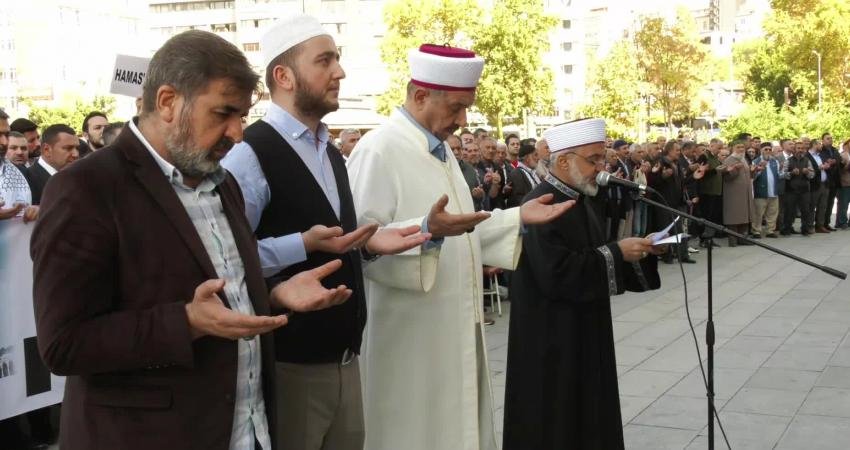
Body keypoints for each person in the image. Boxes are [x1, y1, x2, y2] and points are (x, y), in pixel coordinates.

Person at [31, 30, 351, 450]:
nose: (237, 133)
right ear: (167, 102)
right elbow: (63, 345)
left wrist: (270, 295)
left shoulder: (223, 184)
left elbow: (216, 298)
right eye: (223, 113)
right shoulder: (86, 188)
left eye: (242, 116)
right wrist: (184, 322)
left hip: (247, 432)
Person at [345, 43, 573, 450]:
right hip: (408, 341)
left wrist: (518, 218)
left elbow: (460, 233)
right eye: (455, 107)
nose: (463, 119)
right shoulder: (378, 150)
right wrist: (424, 231)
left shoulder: (442, 154)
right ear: (419, 96)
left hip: (451, 331)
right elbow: (360, 247)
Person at [221, 16, 429, 450]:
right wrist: (302, 244)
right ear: (284, 76)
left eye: (337, 58)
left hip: (346, 362)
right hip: (291, 367)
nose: (340, 72)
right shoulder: (249, 154)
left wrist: (369, 245)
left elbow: (336, 243)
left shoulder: (329, 152)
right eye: (325, 60)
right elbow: (226, 259)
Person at [502, 118, 662, 450]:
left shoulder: (582, 198)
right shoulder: (540, 203)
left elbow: (593, 254)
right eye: (594, 160)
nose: (602, 168)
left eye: (602, 159)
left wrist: (637, 251)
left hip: (585, 329)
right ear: (563, 161)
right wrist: (618, 252)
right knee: (556, 422)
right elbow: (557, 273)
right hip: (551, 338)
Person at [27, 124, 79, 205]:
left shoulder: (77, 177)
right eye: (68, 148)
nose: (75, 154)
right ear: (46, 149)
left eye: (77, 148)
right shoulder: (27, 181)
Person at [721, 140, 756, 245]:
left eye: (742, 147)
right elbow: (727, 177)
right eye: (738, 147)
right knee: (734, 217)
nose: (741, 149)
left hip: (744, 193)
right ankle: (733, 240)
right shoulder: (729, 160)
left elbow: (748, 175)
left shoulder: (743, 159)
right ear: (732, 148)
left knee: (744, 216)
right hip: (733, 194)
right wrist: (735, 169)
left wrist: (753, 171)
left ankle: (742, 239)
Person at [782, 140, 815, 236]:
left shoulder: (807, 160)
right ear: (794, 149)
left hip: (804, 190)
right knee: (789, 210)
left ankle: (805, 229)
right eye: (798, 148)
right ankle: (786, 229)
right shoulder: (788, 160)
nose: (800, 150)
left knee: (805, 210)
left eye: (802, 148)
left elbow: (812, 175)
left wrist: (807, 172)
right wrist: (791, 173)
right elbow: (783, 175)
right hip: (791, 190)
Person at [752, 142, 783, 238]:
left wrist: (787, 172)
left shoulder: (775, 161)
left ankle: (770, 230)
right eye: (766, 149)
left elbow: (779, 175)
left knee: (772, 213)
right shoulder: (755, 161)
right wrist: (759, 169)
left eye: (770, 149)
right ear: (761, 150)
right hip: (760, 192)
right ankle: (756, 231)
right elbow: (753, 177)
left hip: (773, 192)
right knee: (758, 213)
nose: (768, 151)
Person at [806, 139, 833, 233]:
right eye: (819, 144)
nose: (821, 146)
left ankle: (819, 225)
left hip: (824, 184)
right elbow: (809, 169)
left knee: (823, 206)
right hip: (814, 185)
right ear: (814, 145)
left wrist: (826, 165)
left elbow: (823, 167)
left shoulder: (820, 155)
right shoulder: (807, 156)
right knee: (811, 206)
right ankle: (809, 226)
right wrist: (819, 168)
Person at [506, 142, 540, 207]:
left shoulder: (534, 172)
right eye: (535, 155)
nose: (538, 158)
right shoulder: (516, 173)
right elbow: (519, 199)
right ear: (527, 158)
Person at [835, 138, 850, 229]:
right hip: (845, 183)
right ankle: (841, 222)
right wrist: (847, 166)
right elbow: (840, 169)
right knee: (843, 204)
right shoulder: (843, 155)